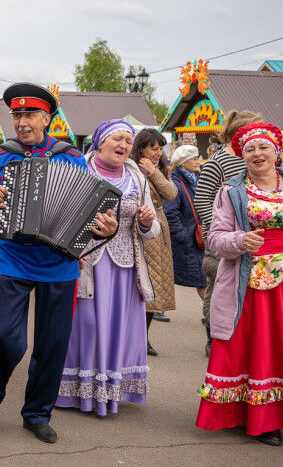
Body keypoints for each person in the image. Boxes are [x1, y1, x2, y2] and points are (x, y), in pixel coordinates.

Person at [0, 84, 117, 443]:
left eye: (29, 115)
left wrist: (104, 229)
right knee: (2, 335)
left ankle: (36, 413)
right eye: (16, 115)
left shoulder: (71, 158)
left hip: (59, 262)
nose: (21, 122)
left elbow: (87, 216)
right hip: (11, 258)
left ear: (46, 118)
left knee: (52, 343)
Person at [196, 122, 283, 446]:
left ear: (276, 151)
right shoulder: (232, 192)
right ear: (241, 156)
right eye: (250, 149)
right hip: (251, 287)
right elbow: (215, 238)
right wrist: (240, 239)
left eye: (263, 148)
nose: (257, 154)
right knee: (258, 348)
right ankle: (262, 419)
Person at [57, 120, 159, 416]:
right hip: (87, 262)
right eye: (117, 138)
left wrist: (146, 221)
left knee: (120, 328)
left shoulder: (137, 176)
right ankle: (78, 392)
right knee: (85, 326)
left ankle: (112, 391)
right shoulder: (80, 169)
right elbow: (60, 217)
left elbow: (150, 231)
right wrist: (94, 228)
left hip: (126, 268)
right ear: (100, 141)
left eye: (128, 140)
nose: (124, 145)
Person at [194, 110, 257, 354]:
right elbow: (202, 199)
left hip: (250, 237)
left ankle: (241, 334)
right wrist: (216, 234)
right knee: (218, 286)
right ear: (238, 134)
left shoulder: (255, 159)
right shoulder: (217, 162)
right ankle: (213, 335)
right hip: (221, 238)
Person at [132, 128, 177, 357]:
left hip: (159, 227)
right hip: (139, 225)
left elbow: (171, 193)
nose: (158, 152)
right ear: (141, 148)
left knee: (156, 285)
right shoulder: (130, 168)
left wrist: (154, 172)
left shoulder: (159, 168)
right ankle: (136, 338)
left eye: (160, 148)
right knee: (140, 284)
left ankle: (144, 337)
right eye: (153, 148)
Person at [163, 145, 207, 300]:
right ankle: (214, 319)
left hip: (196, 237)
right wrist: (182, 235)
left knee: (200, 278)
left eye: (198, 157)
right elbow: (170, 212)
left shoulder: (197, 178)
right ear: (182, 163)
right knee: (202, 280)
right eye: (194, 158)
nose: (198, 161)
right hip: (188, 239)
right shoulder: (175, 182)